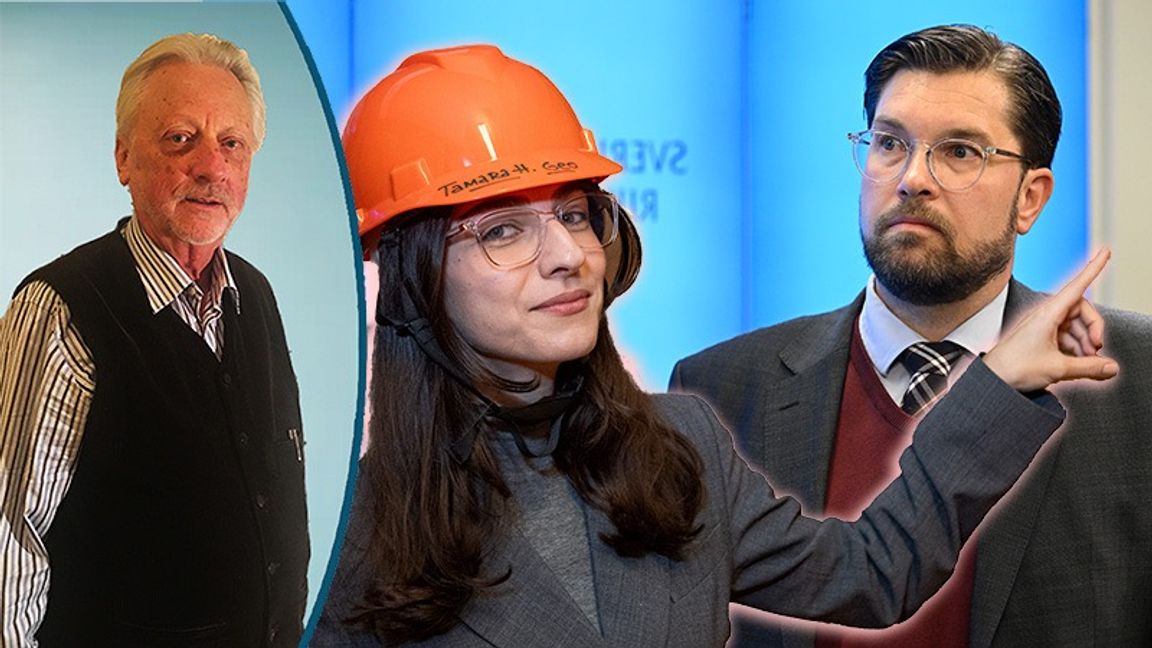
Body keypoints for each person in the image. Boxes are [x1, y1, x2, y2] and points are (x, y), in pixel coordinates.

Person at [310, 44, 1117, 648]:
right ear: (415, 280)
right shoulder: (351, 537)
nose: (567, 254)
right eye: (502, 230)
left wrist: (1000, 378)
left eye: (574, 212)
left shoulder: (679, 445)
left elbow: (872, 575)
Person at [671, 24, 1152, 648]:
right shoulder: (720, 390)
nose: (912, 179)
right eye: (890, 143)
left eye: (959, 152)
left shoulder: (1135, 379)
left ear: (1030, 199)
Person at [0, 33, 308, 647]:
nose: (211, 166)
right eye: (179, 138)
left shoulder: (257, 296)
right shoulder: (62, 308)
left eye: (232, 144)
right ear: (123, 159)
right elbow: (8, 539)